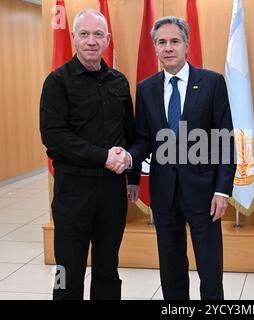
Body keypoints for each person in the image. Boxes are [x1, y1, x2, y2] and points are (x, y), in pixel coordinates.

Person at [125, 16, 236, 300]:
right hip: (164, 193)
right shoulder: (146, 88)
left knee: (210, 268)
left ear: (186, 44)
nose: (168, 48)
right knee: (171, 267)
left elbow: (225, 139)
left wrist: (222, 190)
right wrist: (132, 174)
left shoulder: (211, 82)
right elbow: (142, 139)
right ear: (155, 48)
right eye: (162, 42)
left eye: (175, 41)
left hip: (204, 193)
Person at [39, 9, 139, 300]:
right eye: (84, 34)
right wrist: (103, 156)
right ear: (73, 38)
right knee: (66, 271)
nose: (91, 41)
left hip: (111, 191)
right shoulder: (57, 82)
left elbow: (129, 133)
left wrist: (133, 177)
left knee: (108, 267)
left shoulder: (119, 81)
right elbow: (54, 137)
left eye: (98, 34)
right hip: (73, 190)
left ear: (107, 40)